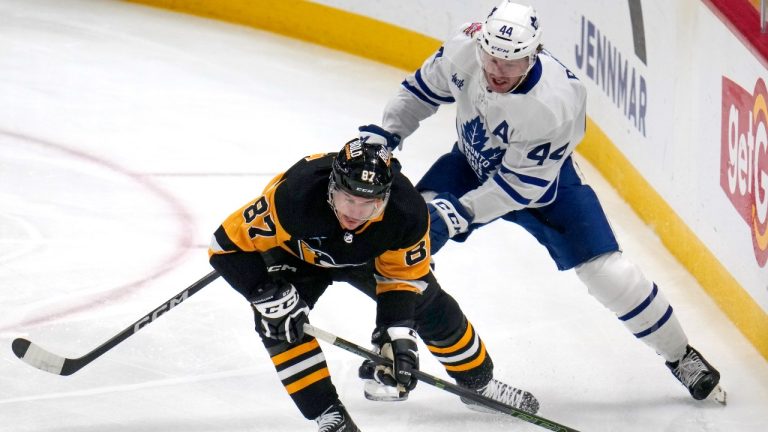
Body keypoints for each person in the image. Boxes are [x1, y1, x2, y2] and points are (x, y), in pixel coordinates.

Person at [372, 0, 723, 403]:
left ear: (533, 55)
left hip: (543, 189)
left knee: (610, 275)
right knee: (401, 242)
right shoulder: (463, 48)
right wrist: (386, 136)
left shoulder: (556, 101)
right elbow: (419, 92)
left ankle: (680, 355)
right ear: (481, 44)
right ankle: (389, 344)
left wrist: (461, 213)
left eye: (512, 63)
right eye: (492, 57)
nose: (498, 70)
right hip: (470, 163)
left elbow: (518, 188)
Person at [208, 128, 539, 432]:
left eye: (369, 204)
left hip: (370, 257)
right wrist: (263, 291)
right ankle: (329, 414)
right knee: (277, 322)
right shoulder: (294, 198)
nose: (354, 213)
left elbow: (402, 279)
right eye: (348, 199)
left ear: (385, 198)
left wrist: (395, 332)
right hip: (298, 254)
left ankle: (479, 385)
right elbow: (223, 247)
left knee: (429, 305)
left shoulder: (407, 212)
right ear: (331, 188)